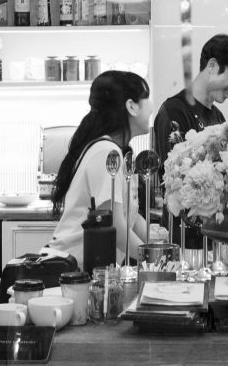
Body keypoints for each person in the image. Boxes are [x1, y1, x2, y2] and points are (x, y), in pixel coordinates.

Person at [151, 34, 228, 246]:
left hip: (214, 235)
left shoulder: (218, 117)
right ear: (212, 66)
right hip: (185, 239)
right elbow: (178, 181)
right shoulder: (174, 112)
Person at [48, 70, 163, 265]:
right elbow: (114, 228)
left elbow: (130, 218)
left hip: (88, 269)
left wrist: (162, 244)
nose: (152, 107)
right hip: (71, 270)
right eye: (147, 98)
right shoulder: (106, 152)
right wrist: (157, 259)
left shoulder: (117, 151)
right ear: (131, 106)